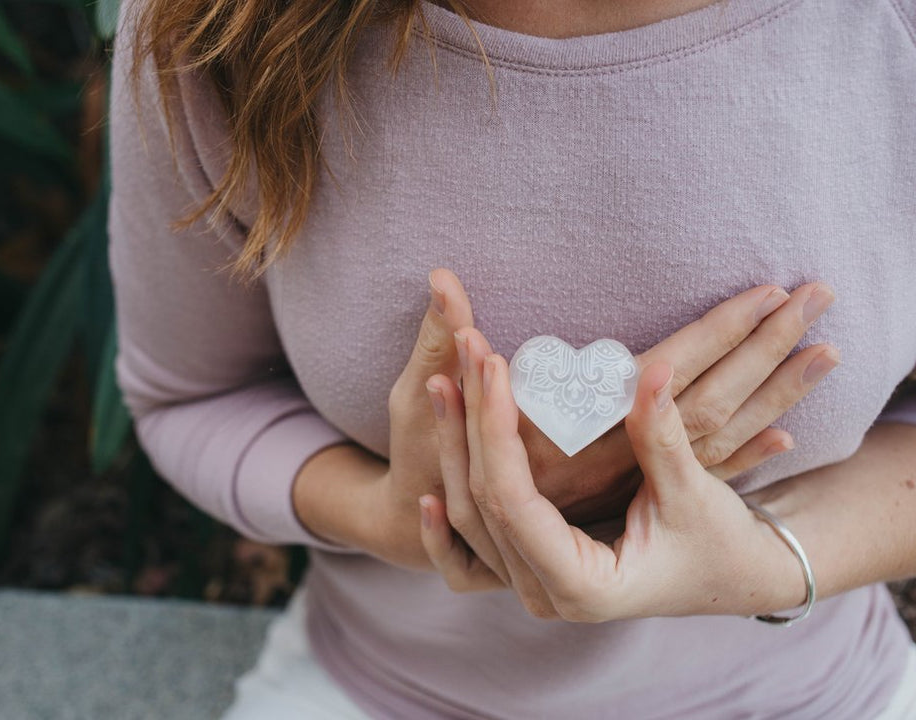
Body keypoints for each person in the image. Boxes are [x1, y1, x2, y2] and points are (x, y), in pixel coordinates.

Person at [105, 0, 916, 716]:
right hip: (375, 692)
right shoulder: (224, 23)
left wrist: (768, 564)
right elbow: (190, 397)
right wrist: (395, 515)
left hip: (824, 695)